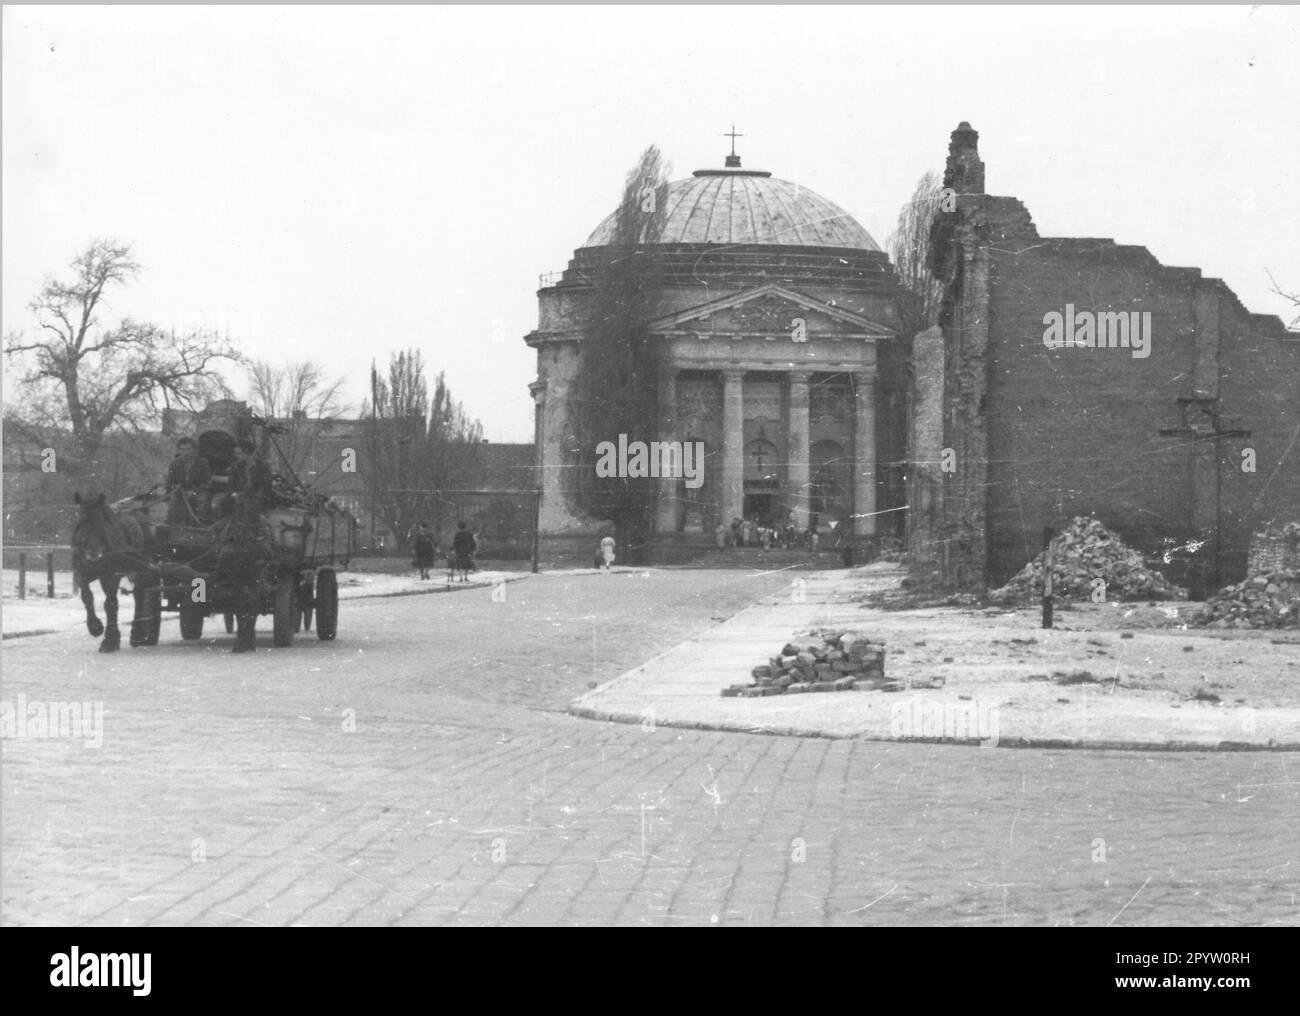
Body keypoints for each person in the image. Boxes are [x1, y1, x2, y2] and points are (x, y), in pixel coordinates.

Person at [165, 437, 212, 525]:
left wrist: (193, 492)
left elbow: (207, 483)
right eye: (182, 449)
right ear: (179, 450)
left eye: (188, 449)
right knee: (173, 506)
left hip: (198, 492)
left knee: (201, 503)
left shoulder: (203, 463)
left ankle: (200, 528)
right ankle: (171, 527)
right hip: (180, 493)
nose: (185, 452)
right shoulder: (174, 463)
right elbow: (169, 482)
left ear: (194, 450)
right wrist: (175, 487)